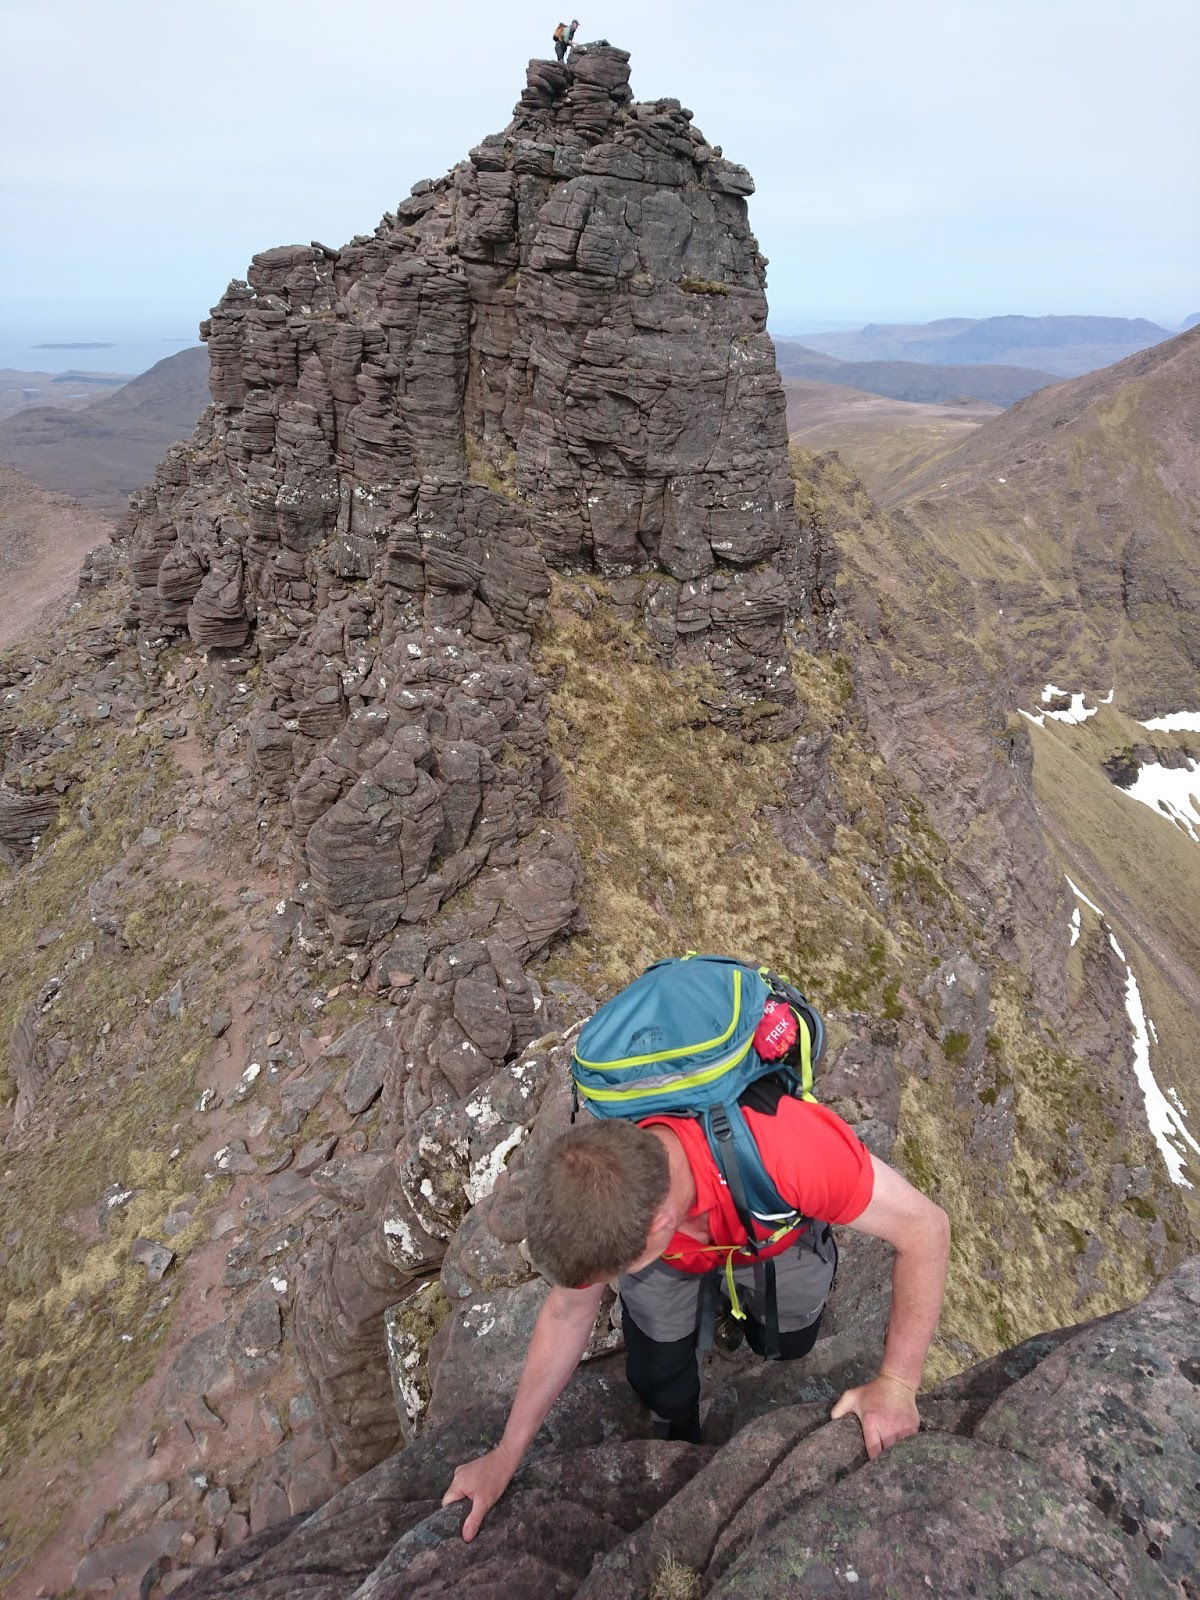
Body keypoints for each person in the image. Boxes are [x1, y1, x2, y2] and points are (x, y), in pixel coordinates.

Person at [443, 1091, 950, 1541]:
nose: (605, 1286)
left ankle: (743, 1321)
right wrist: (506, 1454)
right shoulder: (602, 1193)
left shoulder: (791, 1151)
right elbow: (566, 1313)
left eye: (615, 1273)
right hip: (678, 1246)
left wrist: (898, 1384)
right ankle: (679, 1428)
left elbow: (926, 1227)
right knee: (659, 1372)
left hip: (767, 1228)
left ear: (662, 1223)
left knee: (788, 1342)